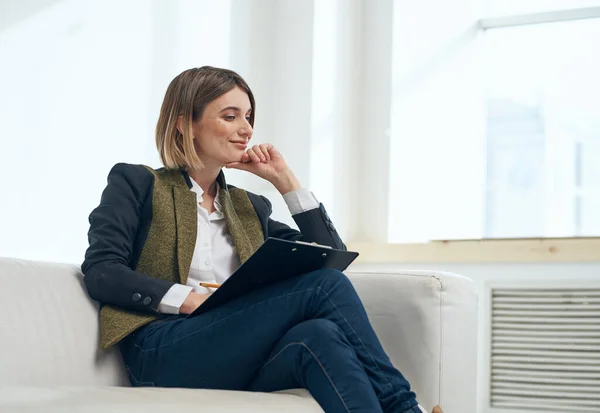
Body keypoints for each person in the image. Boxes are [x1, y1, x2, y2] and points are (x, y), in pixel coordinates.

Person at [82, 66, 441, 413]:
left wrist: (286, 182)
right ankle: (404, 408)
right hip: (162, 350)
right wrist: (189, 300)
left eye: (249, 117)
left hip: (233, 350)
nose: (246, 129)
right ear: (185, 123)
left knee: (320, 336)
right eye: (230, 116)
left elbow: (332, 257)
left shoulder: (247, 206)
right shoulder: (138, 183)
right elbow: (102, 270)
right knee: (323, 288)